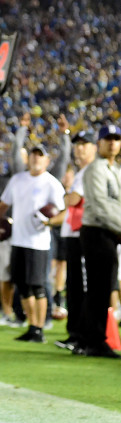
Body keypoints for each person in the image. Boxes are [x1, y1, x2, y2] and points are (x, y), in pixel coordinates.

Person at [0, 144, 66, 344]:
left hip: (38, 243)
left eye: (40, 156)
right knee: (23, 286)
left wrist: (49, 221)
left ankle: (39, 328)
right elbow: (4, 204)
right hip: (18, 240)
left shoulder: (51, 183)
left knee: (38, 287)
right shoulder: (17, 180)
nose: (35, 159)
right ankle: (32, 325)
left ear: (46, 161)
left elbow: (63, 212)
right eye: (33, 155)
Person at [74, 124, 121, 358]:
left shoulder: (116, 169)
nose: (112, 143)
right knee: (100, 288)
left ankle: (84, 338)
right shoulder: (96, 170)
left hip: (109, 232)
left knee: (101, 287)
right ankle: (94, 340)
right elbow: (101, 207)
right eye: (108, 139)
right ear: (99, 144)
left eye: (116, 139)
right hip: (97, 231)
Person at [54, 130, 96, 351]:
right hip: (72, 232)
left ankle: (81, 334)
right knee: (74, 286)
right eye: (77, 144)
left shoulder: (89, 171)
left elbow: (73, 199)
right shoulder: (81, 172)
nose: (79, 148)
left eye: (84, 144)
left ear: (93, 148)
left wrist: (64, 196)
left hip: (81, 233)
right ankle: (75, 333)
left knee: (81, 287)